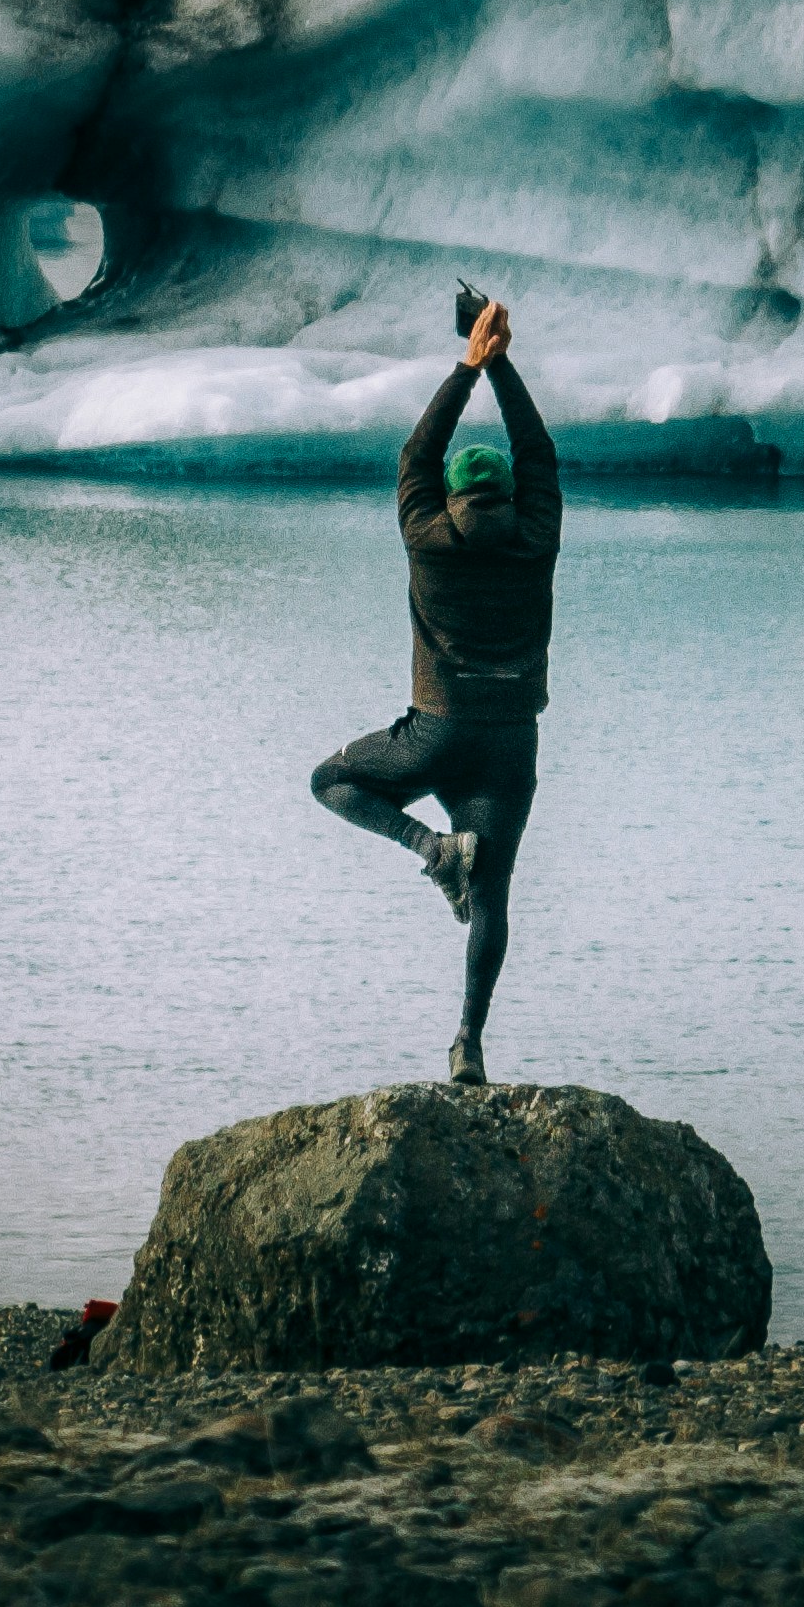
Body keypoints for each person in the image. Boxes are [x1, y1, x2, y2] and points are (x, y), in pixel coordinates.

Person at [308, 294, 562, 1086]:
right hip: (509, 741)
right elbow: (538, 451)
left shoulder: (428, 535)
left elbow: (416, 455)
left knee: (330, 779)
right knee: (492, 896)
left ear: (450, 493)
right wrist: (504, 364)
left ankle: (431, 849)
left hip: (438, 730)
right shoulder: (536, 534)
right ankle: (467, 1046)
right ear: (510, 494)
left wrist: (469, 365)